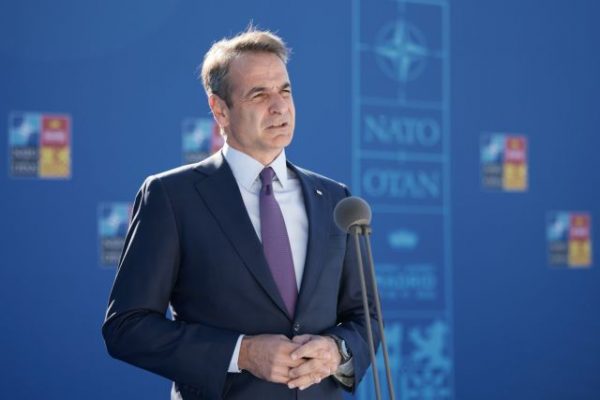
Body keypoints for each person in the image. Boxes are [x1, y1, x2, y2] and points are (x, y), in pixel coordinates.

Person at [102, 27, 379, 400]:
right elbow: (127, 327)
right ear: (220, 109)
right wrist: (241, 353)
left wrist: (338, 351)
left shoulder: (333, 199)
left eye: (285, 91)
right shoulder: (171, 197)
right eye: (259, 94)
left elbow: (366, 317)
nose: (279, 106)